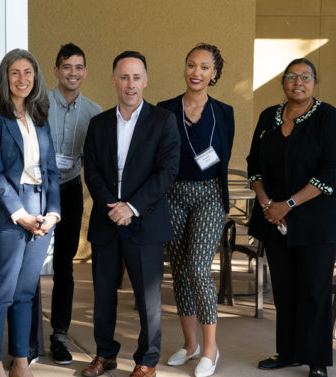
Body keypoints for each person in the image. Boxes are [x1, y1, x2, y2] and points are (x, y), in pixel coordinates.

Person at [82, 51, 180, 377]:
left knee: (148, 300)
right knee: (103, 296)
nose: (130, 84)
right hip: (107, 220)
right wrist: (114, 207)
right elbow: (92, 170)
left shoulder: (163, 121)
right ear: (113, 80)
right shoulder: (98, 124)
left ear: (146, 81)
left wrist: (132, 208)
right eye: (124, 77)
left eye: (136, 77)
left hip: (145, 222)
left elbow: (166, 172)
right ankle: (105, 355)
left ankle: (147, 360)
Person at [247, 58, 336, 377]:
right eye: (291, 77)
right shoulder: (268, 116)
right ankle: (287, 352)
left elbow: (331, 171)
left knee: (314, 289)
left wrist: (289, 204)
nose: (298, 82)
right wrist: (267, 203)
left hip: (316, 221)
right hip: (275, 220)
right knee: (284, 289)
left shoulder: (328, 117)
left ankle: (316, 361)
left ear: (315, 81)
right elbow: (253, 164)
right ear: (282, 82)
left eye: (305, 77)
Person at [0, 48, 61, 377]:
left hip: (42, 210)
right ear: (4, 78)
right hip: (10, 210)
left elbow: (52, 171)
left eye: (28, 72)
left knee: (26, 292)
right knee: (2, 292)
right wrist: (19, 213)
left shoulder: (40, 116)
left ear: (36, 78)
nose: (22, 79)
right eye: (15, 72)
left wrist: (53, 213)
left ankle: (21, 362)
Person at [156, 43, 233, 377]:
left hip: (209, 195)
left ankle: (211, 349)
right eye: (191, 65)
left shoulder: (225, 112)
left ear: (214, 73)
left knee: (199, 268)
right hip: (172, 195)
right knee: (180, 272)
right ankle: (190, 345)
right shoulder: (164, 109)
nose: (196, 72)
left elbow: (223, 157)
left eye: (204, 67)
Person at [46, 42, 102, 365]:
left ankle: (59, 336)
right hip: (37, 191)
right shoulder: (39, 105)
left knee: (64, 266)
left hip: (69, 190)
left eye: (79, 67)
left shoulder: (94, 113)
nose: (73, 72)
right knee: (28, 269)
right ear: (56, 71)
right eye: (67, 66)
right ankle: (25, 339)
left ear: (85, 72)